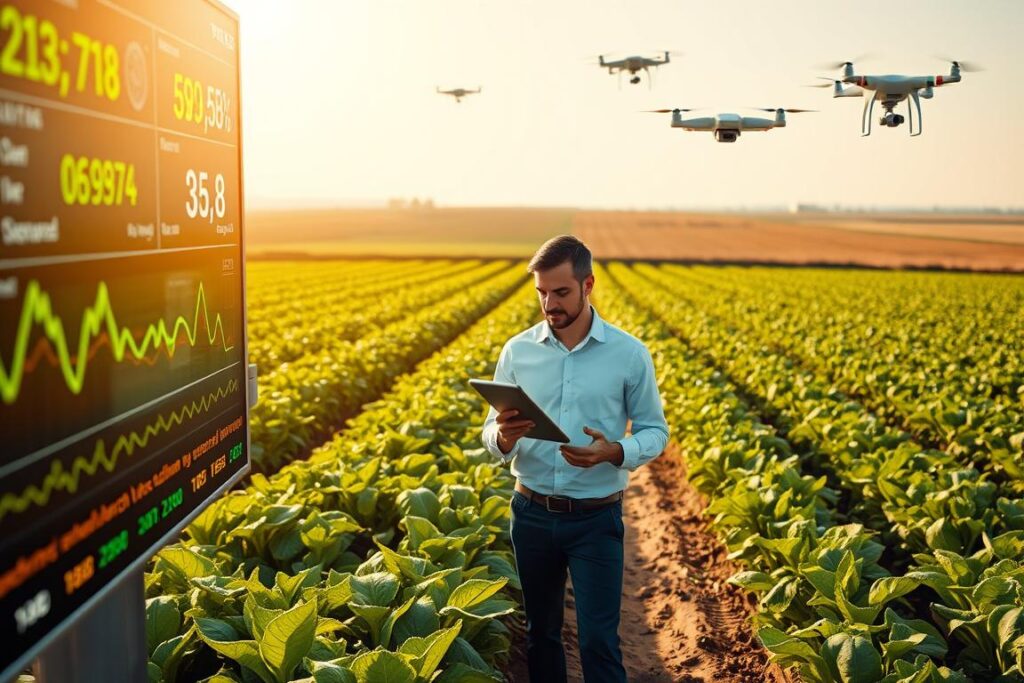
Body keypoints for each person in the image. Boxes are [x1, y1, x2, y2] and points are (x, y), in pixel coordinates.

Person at [481, 235, 669, 682]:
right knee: (541, 634)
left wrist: (616, 451)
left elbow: (655, 432)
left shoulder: (628, 354)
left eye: (561, 292)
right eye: (542, 292)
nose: (550, 303)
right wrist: (504, 438)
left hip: (596, 518)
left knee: (597, 641)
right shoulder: (517, 351)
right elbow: (490, 434)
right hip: (530, 513)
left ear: (589, 285)